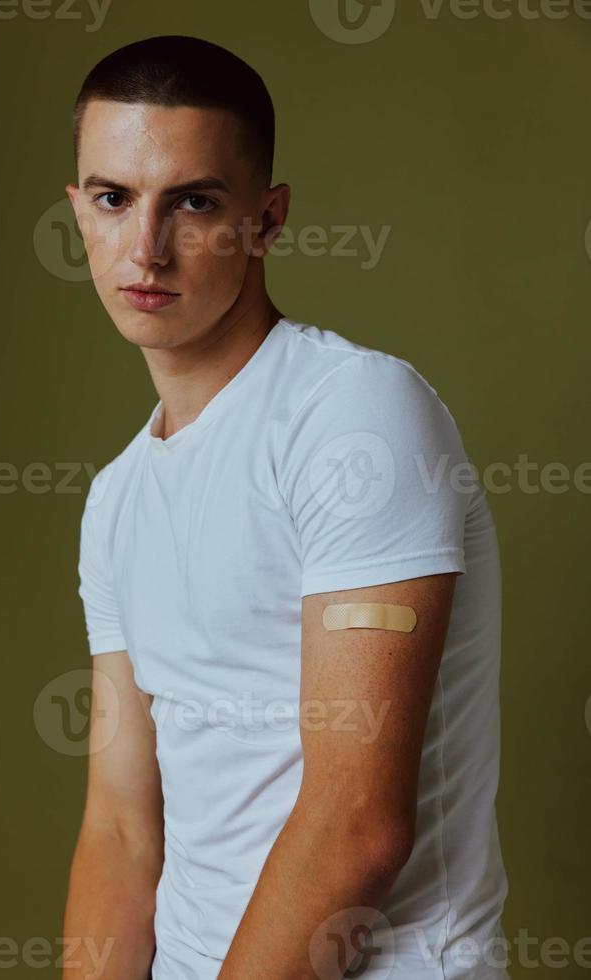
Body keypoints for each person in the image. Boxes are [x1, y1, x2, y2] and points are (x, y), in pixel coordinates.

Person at [63, 34, 510, 980]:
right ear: (78, 214)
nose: (146, 247)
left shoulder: (354, 417)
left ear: (266, 221)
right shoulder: (117, 500)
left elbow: (356, 826)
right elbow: (120, 825)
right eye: (114, 198)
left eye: (193, 202)